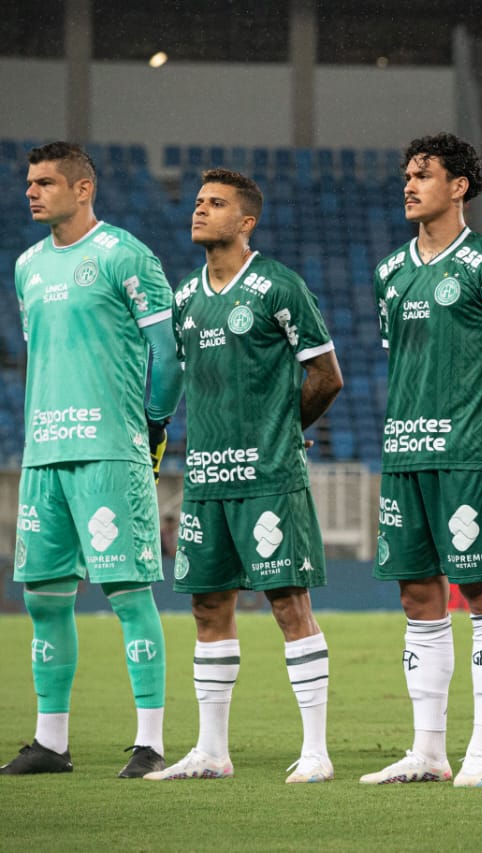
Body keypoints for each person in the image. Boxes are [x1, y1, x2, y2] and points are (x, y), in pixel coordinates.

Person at [145, 169, 344, 784]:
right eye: (199, 202)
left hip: (267, 477)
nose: (200, 211)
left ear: (246, 220)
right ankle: (211, 751)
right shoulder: (185, 297)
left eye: (216, 204)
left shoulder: (277, 285)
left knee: (288, 604)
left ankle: (315, 751)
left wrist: (282, 431)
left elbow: (326, 375)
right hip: (204, 477)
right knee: (209, 608)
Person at [362, 133, 482, 788]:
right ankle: (428, 750)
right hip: (404, 455)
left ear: (459, 185)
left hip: (469, 455)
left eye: (424, 175)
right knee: (418, 594)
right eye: (406, 175)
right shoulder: (389, 272)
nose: (409, 185)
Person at [2, 142, 181, 778]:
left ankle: (150, 741)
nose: (32, 192)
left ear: (83, 189)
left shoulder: (125, 255)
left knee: (128, 592)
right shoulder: (26, 266)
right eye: (29, 182)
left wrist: (151, 425)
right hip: (44, 453)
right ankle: (51, 742)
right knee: (45, 600)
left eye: (46, 182)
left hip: (109, 450)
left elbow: (169, 352)